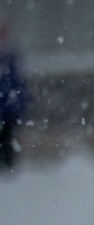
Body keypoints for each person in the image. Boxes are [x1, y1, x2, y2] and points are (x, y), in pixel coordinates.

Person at [0, 23, 29, 173]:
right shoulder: (10, 59)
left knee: (7, 143)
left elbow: (18, 85)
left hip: (8, 112)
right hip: (8, 110)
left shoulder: (11, 59)